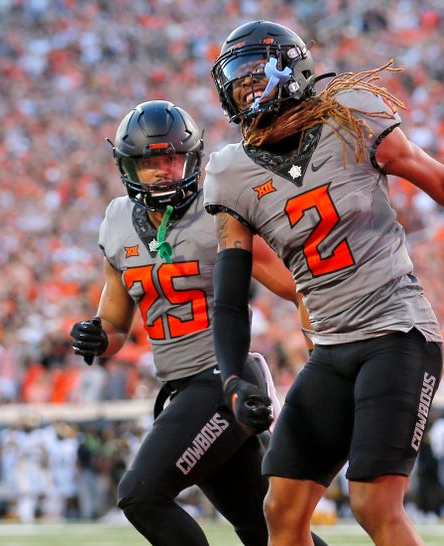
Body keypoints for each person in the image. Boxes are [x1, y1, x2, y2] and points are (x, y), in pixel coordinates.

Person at [203, 20, 444, 546]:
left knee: (372, 502)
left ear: (292, 70)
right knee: (283, 508)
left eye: (254, 74)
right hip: (331, 347)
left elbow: (440, 180)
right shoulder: (230, 172)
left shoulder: (352, 117)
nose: (244, 88)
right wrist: (232, 377)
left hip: (397, 333)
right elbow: (229, 296)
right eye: (237, 79)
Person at [69, 100, 328, 546]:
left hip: (224, 382)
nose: (164, 170)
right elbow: (114, 325)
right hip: (181, 388)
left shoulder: (220, 212)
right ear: (128, 166)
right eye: (150, 161)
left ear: (192, 158)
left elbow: (299, 287)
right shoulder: (116, 221)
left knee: (142, 496)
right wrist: (94, 337)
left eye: (172, 157)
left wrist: (325, 356)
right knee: (265, 530)